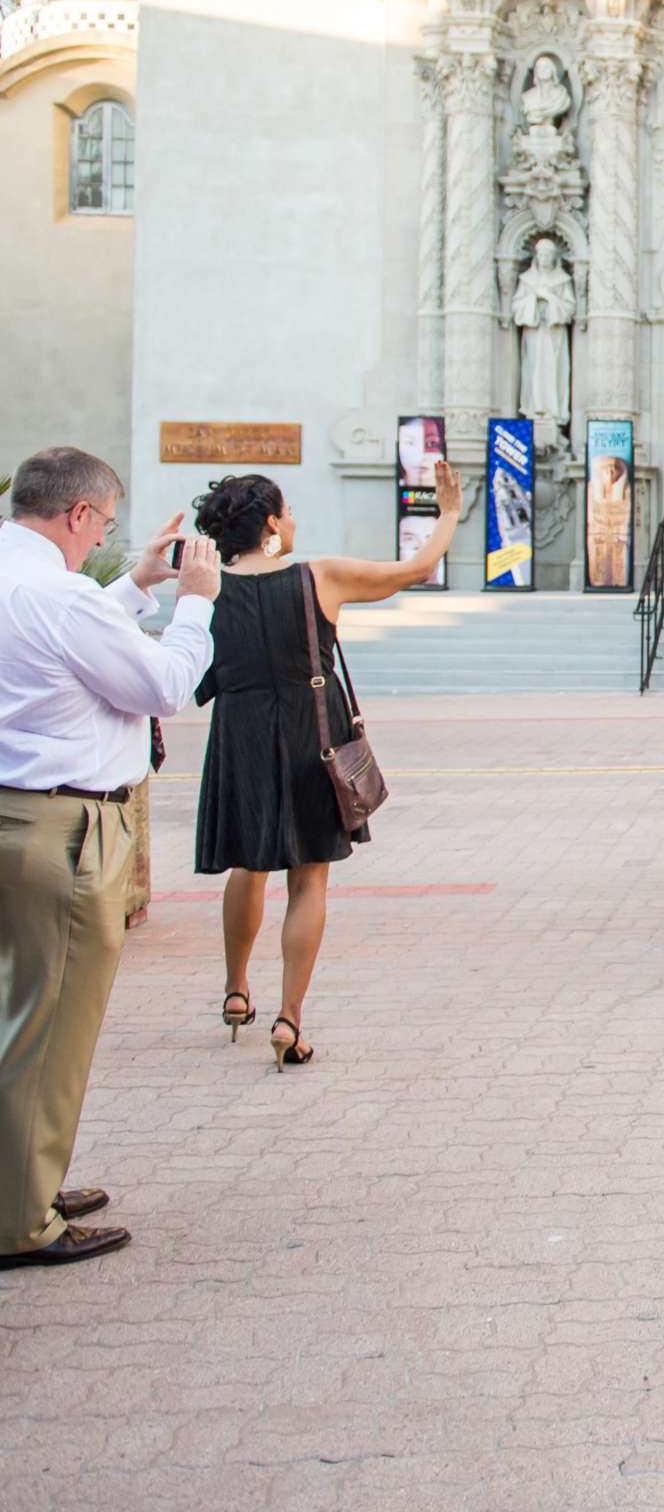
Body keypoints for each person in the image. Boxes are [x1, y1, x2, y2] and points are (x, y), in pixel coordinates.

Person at [0, 447, 221, 1270]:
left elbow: (68, 638)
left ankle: (20, 1182)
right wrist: (196, 604)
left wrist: (135, 584)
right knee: (51, 1029)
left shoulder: (26, 580)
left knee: (18, 1017)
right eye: (105, 520)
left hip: (13, 812)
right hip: (62, 829)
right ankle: (22, 1218)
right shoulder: (58, 596)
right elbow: (162, 686)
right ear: (80, 517)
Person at [191, 466, 464, 1069]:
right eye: (286, 513)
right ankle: (290, 1018)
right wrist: (447, 514)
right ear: (268, 524)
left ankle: (237, 990)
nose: (293, 523)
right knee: (309, 876)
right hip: (311, 734)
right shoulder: (317, 578)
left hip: (239, 735)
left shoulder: (205, 589)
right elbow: (413, 572)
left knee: (249, 862)